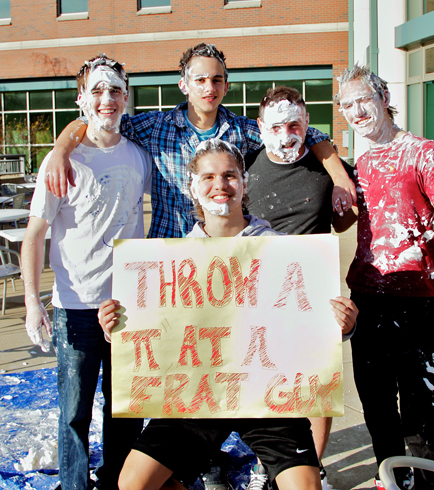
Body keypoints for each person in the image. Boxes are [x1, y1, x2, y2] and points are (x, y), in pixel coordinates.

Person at [98, 139, 358, 490]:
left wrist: (343, 324)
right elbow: (154, 335)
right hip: (196, 395)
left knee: (305, 487)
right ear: (193, 187)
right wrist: (118, 327)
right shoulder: (168, 263)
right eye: (208, 177)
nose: (220, 185)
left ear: (244, 183)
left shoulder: (285, 250)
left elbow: (312, 326)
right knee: (133, 482)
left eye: (229, 175)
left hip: (269, 396)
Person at [43, 43, 356, 236]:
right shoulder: (153, 126)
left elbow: (307, 133)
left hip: (221, 252)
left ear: (225, 85)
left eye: (217, 79)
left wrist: (340, 177)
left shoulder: (243, 131)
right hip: (168, 250)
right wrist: (61, 149)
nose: (209, 87)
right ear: (184, 84)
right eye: (200, 80)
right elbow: (96, 120)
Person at [335, 64, 434, 490]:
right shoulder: (356, 163)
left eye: (364, 100)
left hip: (414, 300)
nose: (357, 110)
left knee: (420, 411)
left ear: (384, 99)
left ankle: (433, 484)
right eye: (347, 104)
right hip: (365, 299)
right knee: (375, 406)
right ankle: (393, 480)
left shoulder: (423, 152)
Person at [21, 54, 151, 490]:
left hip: (126, 307)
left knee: (125, 408)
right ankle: (74, 484)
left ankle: (117, 480)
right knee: (73, 411)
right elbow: (34, 236)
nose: (106, 98)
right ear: (81, 99)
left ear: (126, 97)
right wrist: (32, 303)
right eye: (96, 90)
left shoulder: (139, 156)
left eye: (114, 89)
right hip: (74, 306)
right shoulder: (62, 163)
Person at [243, 85, 357, 489]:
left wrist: (346, 199)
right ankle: (269, 464)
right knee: (263, 383)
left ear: (308, 125)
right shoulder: (246, 166)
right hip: (257, 296)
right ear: (260, 128)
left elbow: (344, 221)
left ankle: (315, 465)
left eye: (295, 124)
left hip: (312, 295)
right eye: (277, 126)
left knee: (315, 388)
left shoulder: (327, 168)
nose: (286, 133)